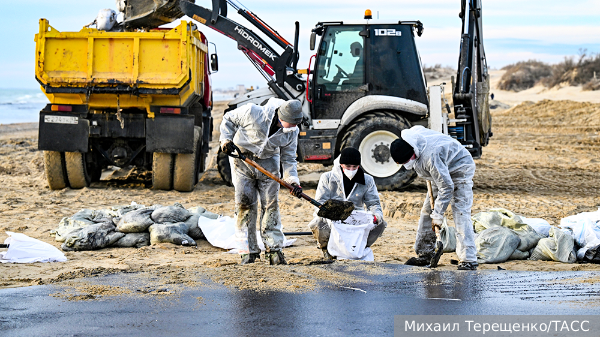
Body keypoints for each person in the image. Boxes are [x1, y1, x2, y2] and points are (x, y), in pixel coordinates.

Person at [220, 98, 304, 265]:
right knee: (245, 204)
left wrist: (292, 180)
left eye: (295, 124)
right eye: (290, 123)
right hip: (242, 160)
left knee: (271, 205)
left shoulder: (292, 131)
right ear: (281, 116)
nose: (293, 128)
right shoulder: (252, 112)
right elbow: (228, 119)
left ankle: (274, 249)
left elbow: (289, 158)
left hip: (269, 162)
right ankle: (247, 251)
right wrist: (226, 140)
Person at [390, 126, 478, 270]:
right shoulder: (412, 137)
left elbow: (447, 187)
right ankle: (425, 253)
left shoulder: (430, 156)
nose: (406, 164)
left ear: (413, 152)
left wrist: (438, 215)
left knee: (460, 213)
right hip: (439, 170)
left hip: (459, 168)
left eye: (407, 161)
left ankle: (468, 259)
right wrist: (433, 211)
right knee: (426, 211)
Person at [308, 147, 386, 260]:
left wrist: (376, 215)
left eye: (354, 167)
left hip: (355, 217)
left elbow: (373, 203)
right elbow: (319, 202)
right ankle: (326, 251)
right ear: (341, 165)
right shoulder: (328, 178)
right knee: (319, 223)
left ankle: (361, 247)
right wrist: (329, 213)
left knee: (381, 224)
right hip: (332, 217)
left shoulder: (367, 180)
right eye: (348, 166)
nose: (351, 169)